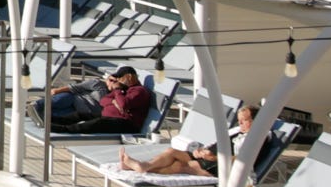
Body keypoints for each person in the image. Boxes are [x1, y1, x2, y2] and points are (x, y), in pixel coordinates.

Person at [118, 104, 256, 178]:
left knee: (178, 165)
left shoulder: (257, 138)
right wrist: (199, 150)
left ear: (256, 121)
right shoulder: (237, 130)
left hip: (218, 165)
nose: (241, 124)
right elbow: (215, 142)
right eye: (239, 121)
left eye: (244, 121)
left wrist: (214, 158)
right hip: (207, 157)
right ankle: (143, 166)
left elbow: (243, 159)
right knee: (172, 151)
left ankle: (137, 167)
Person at [49, 66, 154, 134]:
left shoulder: (139, 91)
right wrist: (113, 101)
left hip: (126, 124)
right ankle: (54, 120)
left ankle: (66, 130)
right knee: (81, 115)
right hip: (110, 117)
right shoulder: (124, 89)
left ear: (129, 77)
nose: (117, 81)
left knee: (98, 123)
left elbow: (123, 105)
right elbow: (103, 100)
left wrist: (117, 90)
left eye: (120, 78)